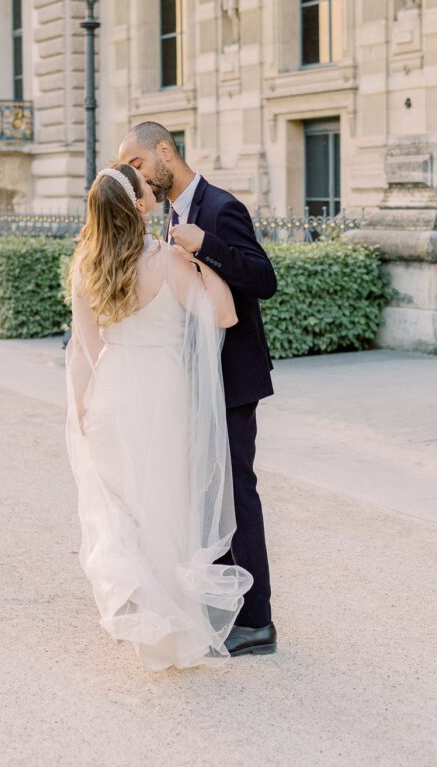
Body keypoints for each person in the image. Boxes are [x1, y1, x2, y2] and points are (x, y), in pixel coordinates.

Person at [65, 163, 253, 671]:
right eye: (146, 188)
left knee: (124, 508)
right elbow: (224, 315)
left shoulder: (86, 264)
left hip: (113, 392)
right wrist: (202, 257)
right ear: (140, 206)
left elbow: (87, 349)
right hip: (164, 393)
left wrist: (84, 404)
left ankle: (147, 616)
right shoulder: (169, 260)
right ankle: (172, 624)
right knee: (167, 505)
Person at [118, 121, 278, 657]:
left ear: (165, 151)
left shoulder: (219, 207)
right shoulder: (172, 213)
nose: (135, 175)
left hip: (232, 380)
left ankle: (257, 621)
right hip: (193, 379)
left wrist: (206, 244)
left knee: (237, 490)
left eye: (137, 164)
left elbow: (263, 278)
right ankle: (222, 602)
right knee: (207, 492)